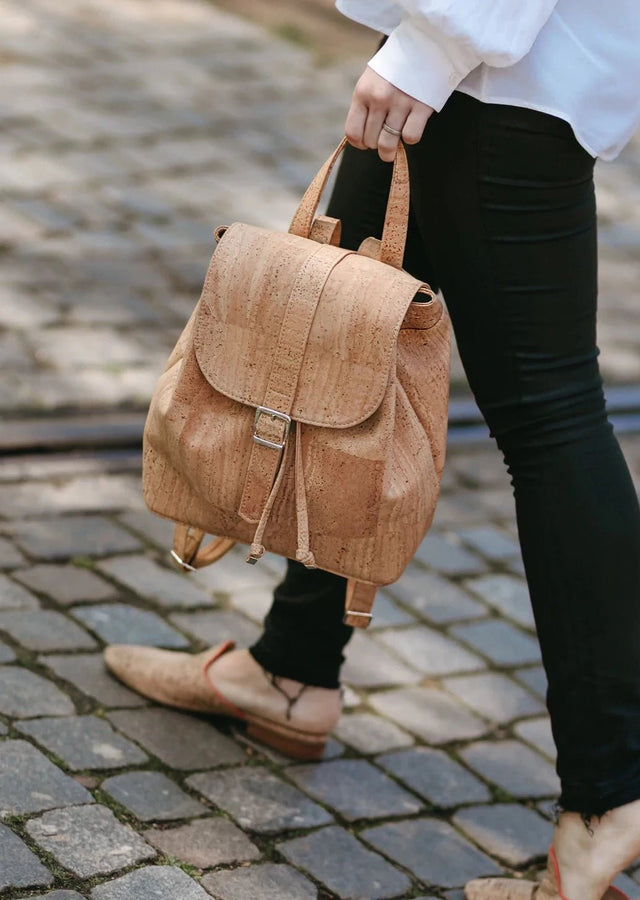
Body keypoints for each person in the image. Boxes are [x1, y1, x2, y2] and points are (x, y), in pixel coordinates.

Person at [105, 1, 640, 897]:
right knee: (341, 341)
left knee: (550, 419)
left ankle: (612, 792)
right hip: (468, 66)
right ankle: (292, 666)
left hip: (492, 77)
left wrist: (433, 48)